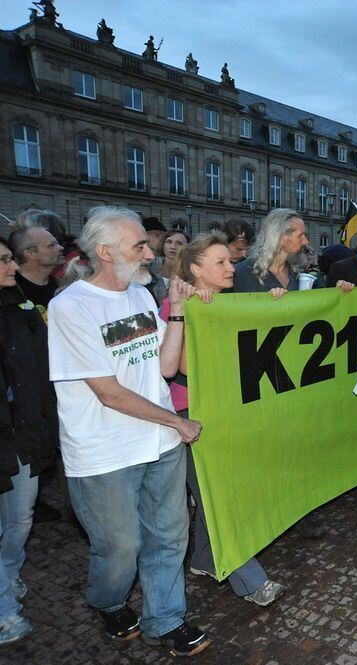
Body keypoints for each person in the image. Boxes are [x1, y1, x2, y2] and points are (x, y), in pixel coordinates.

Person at [47, 206, 211, 657]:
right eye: (138, 245)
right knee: (120, 547)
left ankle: (166, 620)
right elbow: (109, 393)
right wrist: (177, 421)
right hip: (104, 452)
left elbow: (164, 366)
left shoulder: (140, 295)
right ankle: (108, 600)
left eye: (146, 243)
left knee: (169, 537)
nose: (149, 251)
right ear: (104, 251)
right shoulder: (70, 307)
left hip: (159, 444)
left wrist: (176, 313)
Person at [163, 233, 287, 606]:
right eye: (221, 262)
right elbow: (184, 368)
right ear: (195, 269)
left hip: (228, 410)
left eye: (229, 261)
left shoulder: (232, 303)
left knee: (210, 490)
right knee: (218, 493)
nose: (231, 267)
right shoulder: (176, 308)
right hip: (191, 414)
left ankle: (203, 559)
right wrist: (199, 317)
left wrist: (276, 309)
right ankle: (251, 582)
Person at [0, 237, 58, 645]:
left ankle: (8, 571)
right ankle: (5, 610)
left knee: (20, 518)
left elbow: (40, 370)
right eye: (3, 260)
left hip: (22, 434)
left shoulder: (19, 308)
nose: (11, 265)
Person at [232, 208, 310, 295]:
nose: (305, 241)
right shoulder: (240, 274)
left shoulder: (299, 275)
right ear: (281, 237)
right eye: (300, 236)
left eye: (305, 235)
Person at [8, 226, 64, 319]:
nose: (61, 248)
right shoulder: (10, 291)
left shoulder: (62, 286)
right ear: (31, 254)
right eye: (52, 245)